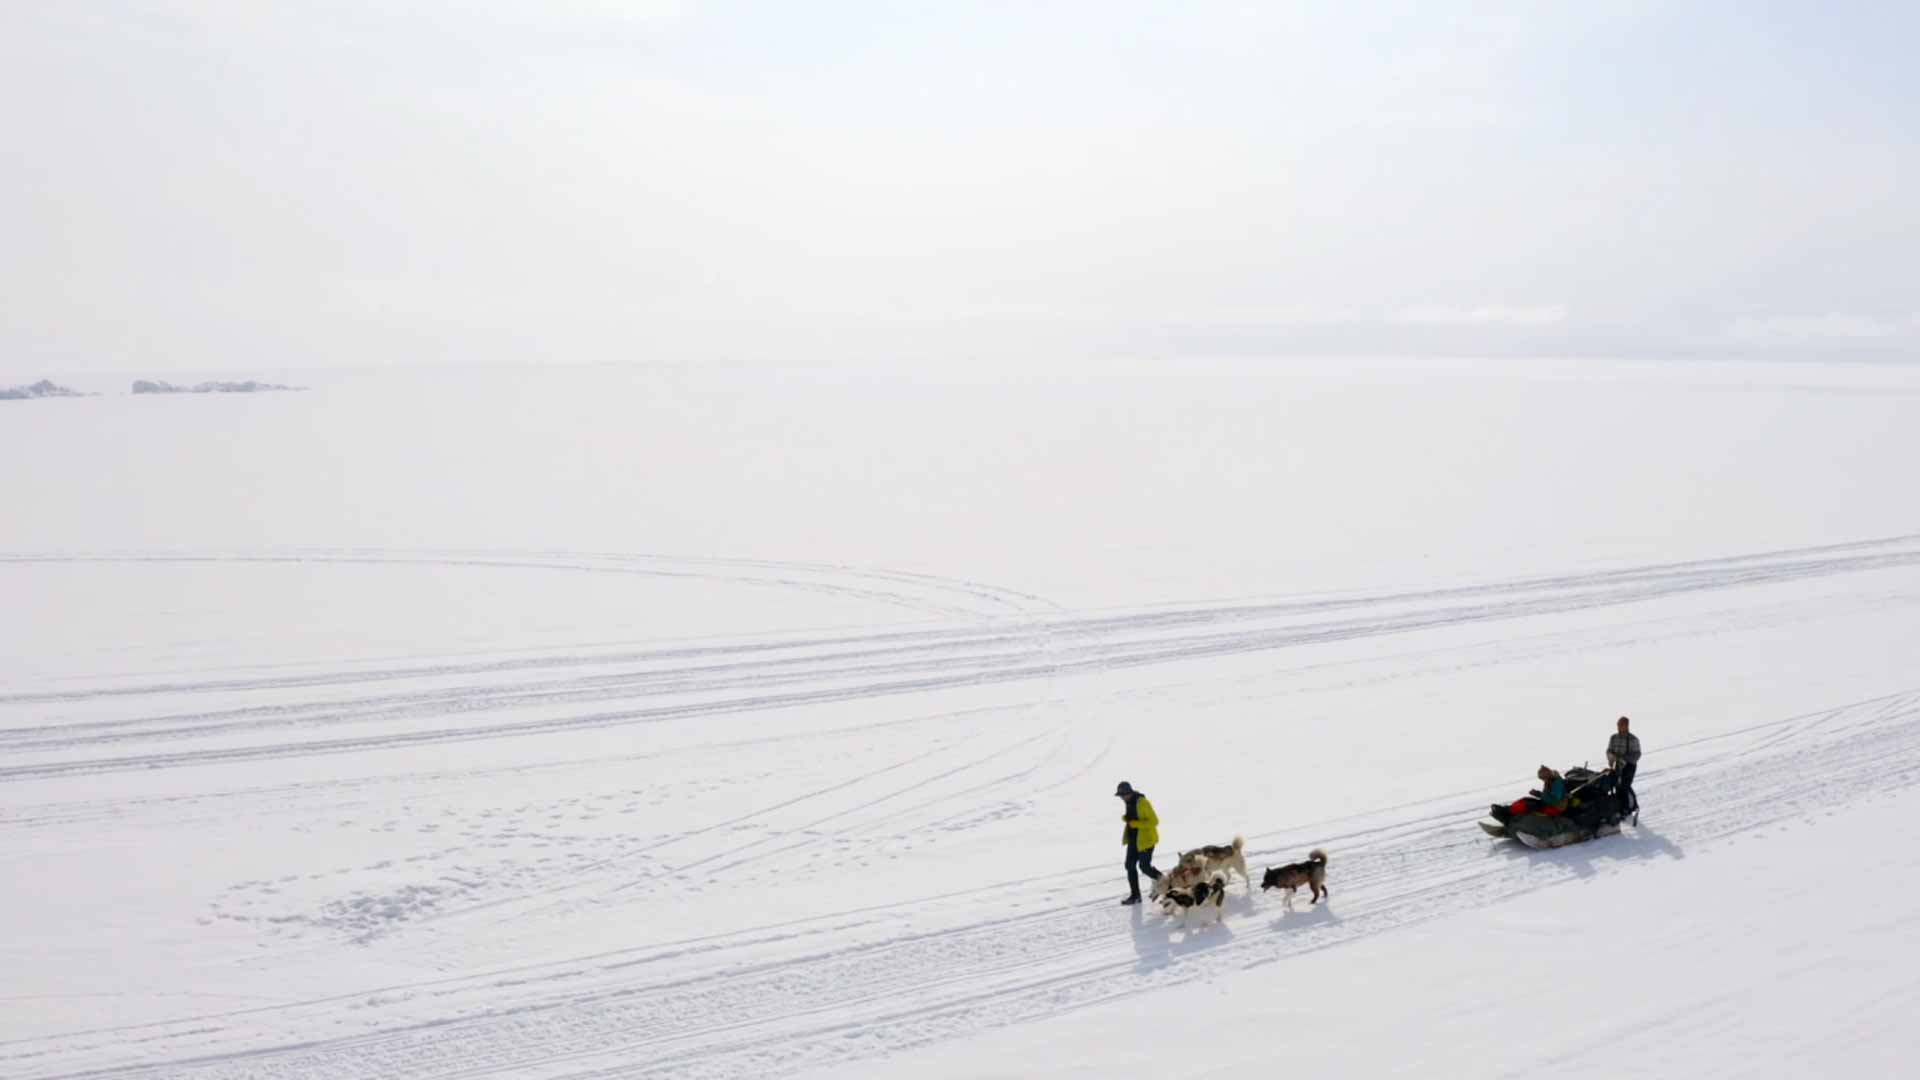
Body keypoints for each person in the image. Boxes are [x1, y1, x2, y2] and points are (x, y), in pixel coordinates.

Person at [1114, 781, 1162, 905]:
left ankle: (1167, 882)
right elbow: (1135, 818)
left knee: (1144, 867)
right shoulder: (1128, 802)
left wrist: (1136, 824)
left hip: (1146, 841)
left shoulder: (1142, 803)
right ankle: (1135, 896)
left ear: (1129, 792)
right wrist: (1127, 818)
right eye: (1120, 796)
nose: (1122, 798)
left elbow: (1154, 821)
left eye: (1123, 795)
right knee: (1129, 865)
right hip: (1133, 840)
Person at [1608, 715, 1642, 817]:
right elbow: (1609, 751)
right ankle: (1622, 806)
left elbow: (1637, 754)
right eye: (1618, 725)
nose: (1619, 727)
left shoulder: (1633, 739)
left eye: (1622, 725)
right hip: (1617, 765)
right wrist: (1611, 758)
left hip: (1629, 766)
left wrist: (1624, 759)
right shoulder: (1613, 738)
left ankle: (1626, 809)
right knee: (1617, 786)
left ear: (1627, 726)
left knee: (1624, 786)